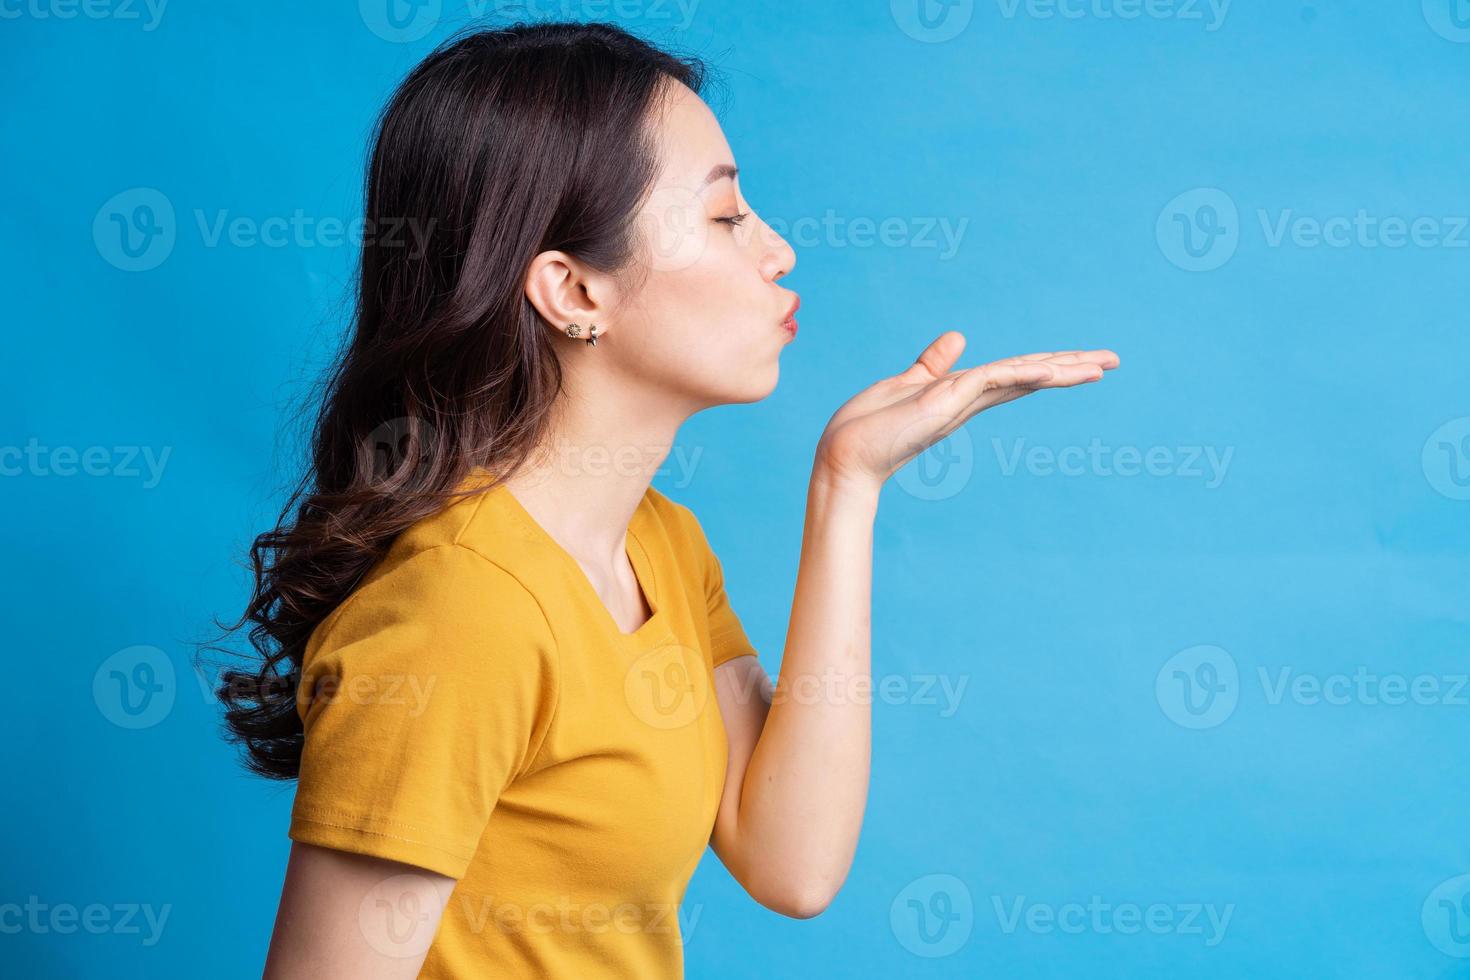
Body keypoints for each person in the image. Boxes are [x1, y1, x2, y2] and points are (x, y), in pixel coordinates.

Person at [213, 20, 1119, 979]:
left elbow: (790, 861)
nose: (779, 251)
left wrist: (847, 486)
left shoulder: (660, 546)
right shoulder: (460, 611)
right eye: (727, 218)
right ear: (573, 291)